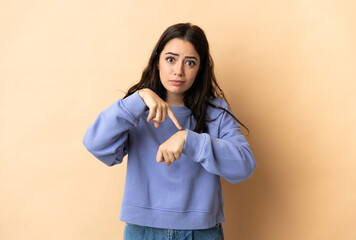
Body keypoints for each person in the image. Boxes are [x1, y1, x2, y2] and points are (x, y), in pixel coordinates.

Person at [83, 23, 256, 240]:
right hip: (143, 231)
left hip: (201, 232)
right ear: (157, 60)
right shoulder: (135, 110)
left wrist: (188, 139)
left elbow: (244, 166)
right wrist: (139, 97)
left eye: (190, 62)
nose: (178, 71)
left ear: (200, 68)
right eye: (170, 59)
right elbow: (95, 144)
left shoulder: (216, 112)